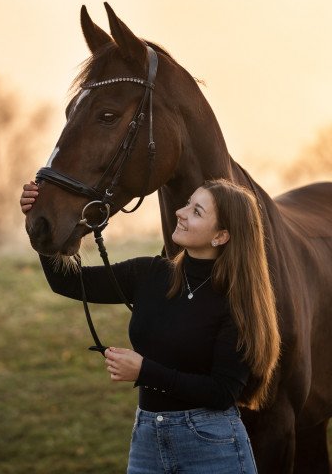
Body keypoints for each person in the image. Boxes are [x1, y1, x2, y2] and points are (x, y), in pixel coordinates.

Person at [20, 178, 280, 474]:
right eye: (187, 204)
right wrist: (39, 218)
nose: (180, 212)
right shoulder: (150, 274)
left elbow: (222, 393)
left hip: (211, 446)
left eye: (196, 212)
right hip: (147, 441)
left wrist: (145, 371)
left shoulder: (237, 301)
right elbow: (67, 281)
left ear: (220, 236)